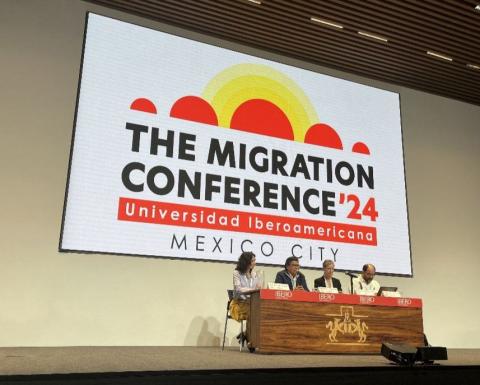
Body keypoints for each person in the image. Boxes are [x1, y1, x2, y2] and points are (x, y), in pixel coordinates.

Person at [230, 251, 261, 345]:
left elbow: (257, 288)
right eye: (253, 260)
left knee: (261, 311)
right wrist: (253, 289)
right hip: (239, 303)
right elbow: (238, 289)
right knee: (254, 312)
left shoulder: (255, 274)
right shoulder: (237, 273)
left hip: (251, 303)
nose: (255, 262)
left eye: (255, 260)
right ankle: (251, 339)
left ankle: (247, 334)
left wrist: (259, 287)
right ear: (246, 262)